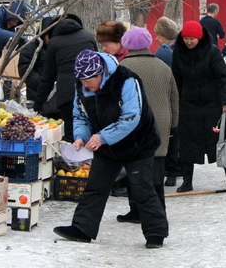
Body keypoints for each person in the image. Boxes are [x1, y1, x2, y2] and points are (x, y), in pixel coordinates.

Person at [53, 50, 169, 249]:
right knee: (95, 186)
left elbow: (131, 117)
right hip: (107, 147)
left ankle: (156, 233)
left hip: (138, 144)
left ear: (101, 74)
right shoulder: (81, 86)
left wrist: (102, 136)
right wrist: (81, 136)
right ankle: (82, 229)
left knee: (142, 188)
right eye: (82, 81)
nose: (86, 85)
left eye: (90, 80)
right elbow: (80, 115)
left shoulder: (127, 80)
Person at [118, 27, 179, 223]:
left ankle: (136, 210)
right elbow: (174, 100)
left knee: (134, 170)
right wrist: (173, 126)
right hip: (161, 122)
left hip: (134, 125)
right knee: (157, 170)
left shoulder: (123, 67)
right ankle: (159, 209)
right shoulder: (163, 66)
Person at [172, 20, 226, 192]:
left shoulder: (212, 52)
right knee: (187, 144)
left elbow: (224, 78)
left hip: (212, 104)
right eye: (186, 38)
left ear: (200, 38)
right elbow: (176, 80)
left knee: (221, 142)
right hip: (188, 105)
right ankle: (187, 180)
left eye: (192, 39)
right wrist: (176, 101)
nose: (189, 42)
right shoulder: (178, 53)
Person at [33, 14, 97, 142]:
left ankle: (72, 160)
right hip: (89, 90)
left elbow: (48, 77)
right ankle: (89, 159)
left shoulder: (54, 42)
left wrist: (38, 103)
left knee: (70, 132)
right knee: (91, 128)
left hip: (66, 94)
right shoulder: (88, 36)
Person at [152, 16, 182, 186]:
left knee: (171, 134)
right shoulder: (174, 49)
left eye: (158, 35)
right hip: (174, 97)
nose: (156, 38)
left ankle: (172, 169)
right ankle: (173, 168)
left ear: (165, 36)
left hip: (170, 97)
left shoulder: (165, 53)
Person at [18, 16, 57, 102]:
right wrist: (43, 86)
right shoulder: (31, 49)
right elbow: (25, 71)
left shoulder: (59, 48)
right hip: (36, 94)